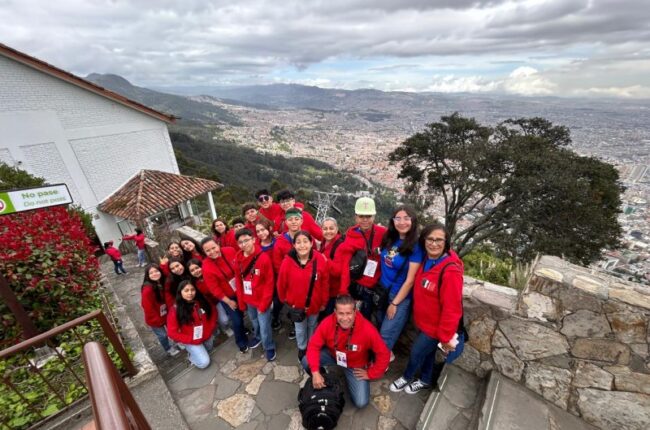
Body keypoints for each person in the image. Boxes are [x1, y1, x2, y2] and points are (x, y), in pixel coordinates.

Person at [390, 223, 464, 394]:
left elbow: (452, 308)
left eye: (439, 240)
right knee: (427, 354)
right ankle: (424, 379)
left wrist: (445, 337)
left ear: (446, 242)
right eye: (430, 239)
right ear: (424, 241)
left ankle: (407, 376)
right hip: (423, 321)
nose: (434, 243)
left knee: (416, 352)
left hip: (435, 327)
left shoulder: (450, 271)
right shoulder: (427, 259)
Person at [303, 294, 390, 409]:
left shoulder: (368, 330)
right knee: (305, 360)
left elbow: (384, 354)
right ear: (335, 311)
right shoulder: (327, 323)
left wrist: (371, 373)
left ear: (355, 311)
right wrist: (315, 372)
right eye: (341, 313)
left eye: (348, 313)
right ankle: (322, 377)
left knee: (361, 402)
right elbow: (313, 346)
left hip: (355, 366)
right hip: (333, 355)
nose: (344, 318)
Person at [377, 206, 423, 361]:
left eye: (406, 218)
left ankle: (381, 364)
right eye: (398, 218)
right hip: (383, 290)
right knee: (379, 327)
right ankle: (387, 355)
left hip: (399, 296)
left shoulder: (416, 246)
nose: (402, 222)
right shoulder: (390, 238)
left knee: (386, 333)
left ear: (413, 221)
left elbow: (410, 280)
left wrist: (395, 303)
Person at [277, 230, 329, 360]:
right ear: (294, 245)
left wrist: (323, 302)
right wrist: (285, 300)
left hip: (315, 304)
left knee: (312, 325)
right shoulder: (288, 261)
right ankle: (302, 348)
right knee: (300, 329)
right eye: (298, 242)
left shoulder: (319, 259)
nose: (302, 245)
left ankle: (312, 346)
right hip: (296, 305)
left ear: (311, 243)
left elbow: (325, 283)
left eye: (305, 241)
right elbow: (281, 283)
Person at [200, 237, 252, 353]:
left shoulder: (229, 250)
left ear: (218, 244)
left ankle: (252, 331)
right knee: (237, 320)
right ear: (204, 252)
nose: (212, 252)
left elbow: (242, 263)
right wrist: (228, 301)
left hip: (242, 289)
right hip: (228, 297)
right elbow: (214, 289)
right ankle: (241, 342)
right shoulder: (206, 266)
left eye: (214, 248)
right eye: (208, 251)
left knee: (251, 311)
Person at [340, 197, 387, 321]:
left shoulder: (383, 233)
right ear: (356, 217)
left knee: (377, 317)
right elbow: (345, 264)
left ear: (374, 217)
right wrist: (343, 290)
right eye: (361, 216)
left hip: (378, 283)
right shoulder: (351, 237)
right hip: (360, 285)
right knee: (363, 317)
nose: (365, 220)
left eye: (368, 216)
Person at [234, 229, 277, 361]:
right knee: (254, 321)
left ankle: (269, 347)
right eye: (240, 242)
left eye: (246, 240)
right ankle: (257, 337)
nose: (243, 244)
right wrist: (241, 301)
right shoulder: (238, 259)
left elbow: (269, 283)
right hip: (249, 298)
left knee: (264, 326)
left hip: (262, 299)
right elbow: (238, 281)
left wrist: (264, 304)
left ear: (253, 240)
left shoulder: (263, 258)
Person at [167, 280, 217, 369]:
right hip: (191, 339)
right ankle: (191, 357)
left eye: (192, 290)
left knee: (210, 349)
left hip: (206, 335)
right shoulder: (175, 309)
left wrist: (210, 327)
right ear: (180, 292)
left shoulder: (202, 300)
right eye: (186, 291)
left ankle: (196, 351)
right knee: (204, 362)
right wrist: (191, 340)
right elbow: (172, 333)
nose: (190, 293)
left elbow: (213, 311)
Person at [271, 207, 305, 336]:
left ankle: (297, 325)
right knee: (289, 303)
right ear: (285, 222)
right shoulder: (280, 242)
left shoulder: (306, 238)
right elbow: (277, 264)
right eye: (290, 219)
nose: (294, 222)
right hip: (287, 281)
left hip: (305, 280)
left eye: (297, 219)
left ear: (301, 220)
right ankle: (291, 322)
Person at [140, 264, 180, 357]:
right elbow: (147, 307)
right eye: (151, 273)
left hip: (165, 313)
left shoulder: (162, 282)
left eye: (157, 271)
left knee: (173, 329)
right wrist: (157, 320)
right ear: (147, 275)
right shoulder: (148, 289)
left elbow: (169, 274)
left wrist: (164, 265)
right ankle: (168, 348)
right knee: (163, 335)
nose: (155, 274)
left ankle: (178, 342)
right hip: (155, 318)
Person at [318, 217, 347, 320]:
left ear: (337, 228)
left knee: (326, 317)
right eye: (325, 229)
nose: (328, 231)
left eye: (331, 228)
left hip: (333, 291)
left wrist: (325, 260)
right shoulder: (324, 242)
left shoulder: (340, 245)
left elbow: (337, 271)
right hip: (324, 287)